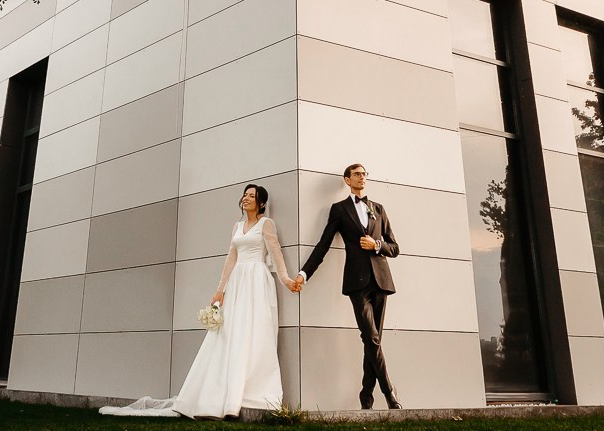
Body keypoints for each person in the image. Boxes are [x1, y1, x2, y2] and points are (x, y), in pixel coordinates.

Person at [99, 184, 297, 418]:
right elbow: (231, 258)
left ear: (261, 203)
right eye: (245, 195)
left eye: (251, 196)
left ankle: (245, 394)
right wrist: (220, 290)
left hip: (256, 281)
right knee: (230, 334)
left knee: (253, 332)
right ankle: (221, 394)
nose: (246, 198)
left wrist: (286, 280)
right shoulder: (237, 227)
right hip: (237, 282)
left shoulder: (266, 224)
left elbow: (276, 254)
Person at [296, 163, 401, 410]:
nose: (361, 177)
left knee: (373, 341)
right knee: (371, 338)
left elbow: (395, 248)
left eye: (364, 174)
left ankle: (366, 396)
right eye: (357, 174)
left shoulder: (378, 208)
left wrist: (376, 245)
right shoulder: (339, 209)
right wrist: (304, 273)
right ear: (347, 180)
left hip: (381, 281)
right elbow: (323, 244)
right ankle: (389, 393)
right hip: (357, 282)